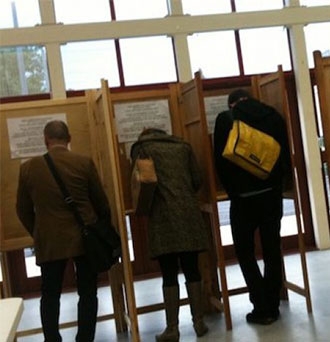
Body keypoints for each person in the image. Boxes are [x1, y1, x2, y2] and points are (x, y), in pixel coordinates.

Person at [16, 120, 111, 342]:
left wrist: (38, 231)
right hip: (84, 237)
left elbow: (22, 209)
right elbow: (101, 202)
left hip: (50, 240)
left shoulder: (28, 168)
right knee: (88, 292)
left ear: (45, 140)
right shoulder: (84, 163)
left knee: (49, 294)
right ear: (69, 139)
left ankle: (52, 339)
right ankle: (85, 339)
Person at [213, 89, 292, 325]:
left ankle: (260, 305)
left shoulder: (226, 119)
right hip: (271, 195)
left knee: (245, 252)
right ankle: (273, 304)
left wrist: (233, 191)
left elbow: (220, 160)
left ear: (232, 104)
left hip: (243, 198)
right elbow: (284, 155)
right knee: (272, 249)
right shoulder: (274, 116)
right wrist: (278, 185)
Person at [130, 128, 209, 341]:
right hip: (188, 213)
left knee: (169, 272)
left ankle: (172, 329)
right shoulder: (183, 146)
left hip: (162, 215)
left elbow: (140, 181)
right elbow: (197, 178)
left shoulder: (142, 148)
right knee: (192, 268)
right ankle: (199, 322)